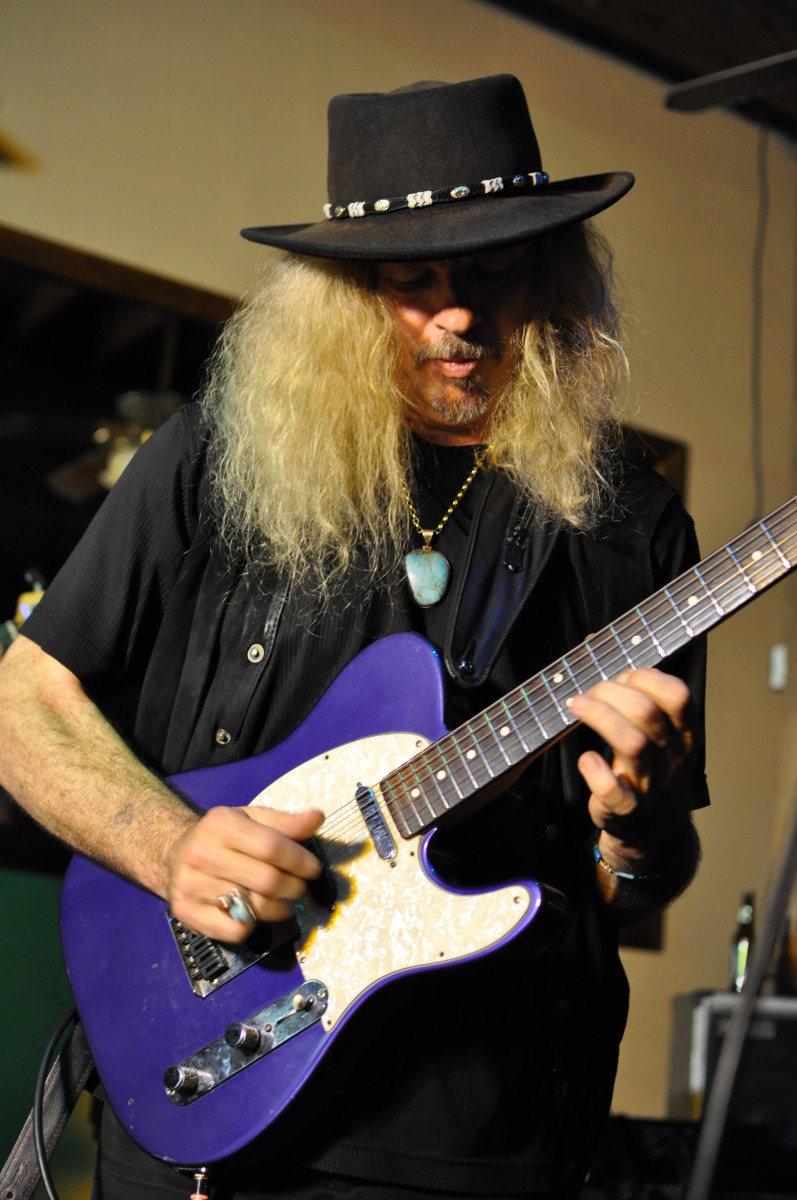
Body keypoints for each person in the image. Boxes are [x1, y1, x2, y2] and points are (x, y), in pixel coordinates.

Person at [0, 75, 707, 1199]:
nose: (456, 316)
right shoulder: (217, 457)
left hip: (479, 1140)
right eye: (411, 282)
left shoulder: (632, 528)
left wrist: (640, 826)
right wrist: (168, 847)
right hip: (206, 1102)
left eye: (491, 272)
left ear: (550, 273)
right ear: (342, 296)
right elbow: (23, 700)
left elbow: (638, 886)